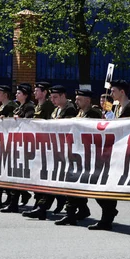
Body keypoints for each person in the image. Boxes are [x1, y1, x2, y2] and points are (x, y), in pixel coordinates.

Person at [88, 79, 130, 231]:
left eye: (113, 91)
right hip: (116, 151)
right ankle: (107, 217)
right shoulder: (117, 107)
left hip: (128, 152)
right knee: (104, 185)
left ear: (122, 92)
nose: (111, 94)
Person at [23, 85, 74, 220]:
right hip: (53, 150)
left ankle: (71, 211)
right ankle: (42, 207)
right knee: (48, 179)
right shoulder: (55, 111)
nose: (53, 100)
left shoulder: (70, 110)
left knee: (66, 183)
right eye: (51, 97)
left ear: (64, 96)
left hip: (67, 152)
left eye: (55, 97)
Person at [53, 89, 100, 226]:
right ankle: (72, 213)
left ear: (88, 100)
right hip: (77, 153)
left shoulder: (93, 113)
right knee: (72, 183)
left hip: (90, 154)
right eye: (76, 98)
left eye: (79, 99)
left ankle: (105, 215)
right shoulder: (80, 113)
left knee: (88, 185)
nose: (76, 101)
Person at [2, 84, 35, 213]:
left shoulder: (29, 107)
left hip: (25, 145)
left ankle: (15, 202)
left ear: (25, 95)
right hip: (16, 145)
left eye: (19, 93)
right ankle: (14, 202)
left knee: (18, 174)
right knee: (14, 174)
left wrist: (20, 120)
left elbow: (30, 123)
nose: (16, 95)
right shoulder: (19, 107)